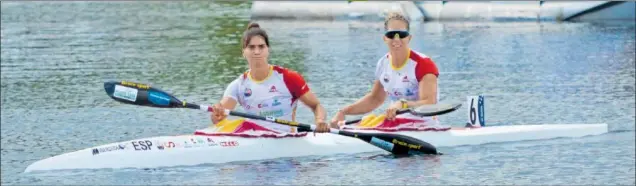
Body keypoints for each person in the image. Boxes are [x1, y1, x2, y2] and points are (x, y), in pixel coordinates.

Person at [211, 22, 330, 133]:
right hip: (255, 138)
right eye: (251, 47)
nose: (257, 52)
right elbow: (218, 119)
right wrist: (217, 113)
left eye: (261, 47)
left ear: (268, 50)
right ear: (244, 52)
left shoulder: (288, 78)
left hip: (286, 139)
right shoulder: (238, 85)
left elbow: (316, 106)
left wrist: (320, 121)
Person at [330, 12, 441, 127]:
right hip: (394, 121)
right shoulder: (383, 64)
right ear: (385, 38)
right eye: (391, 34)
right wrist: (343, 111)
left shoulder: (423, 63)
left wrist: (403, 104)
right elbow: (375, 99)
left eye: (401, 34)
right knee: (367, 120)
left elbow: (429, 103)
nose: (396, 39)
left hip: (423, 122)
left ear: (409, 38)